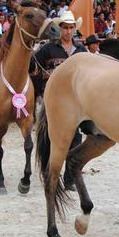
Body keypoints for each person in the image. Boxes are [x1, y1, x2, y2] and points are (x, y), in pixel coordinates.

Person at [34, 10, 87, 190]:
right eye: (65, 27)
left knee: (76, 138)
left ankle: (70, 178)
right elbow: (33, 63)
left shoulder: (81, 50)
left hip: (76, 101)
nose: (68, 31)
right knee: (50, 136)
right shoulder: (49, 48)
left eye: (71, 27)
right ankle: (50, 173)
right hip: (54, 99)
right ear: (60, 28)